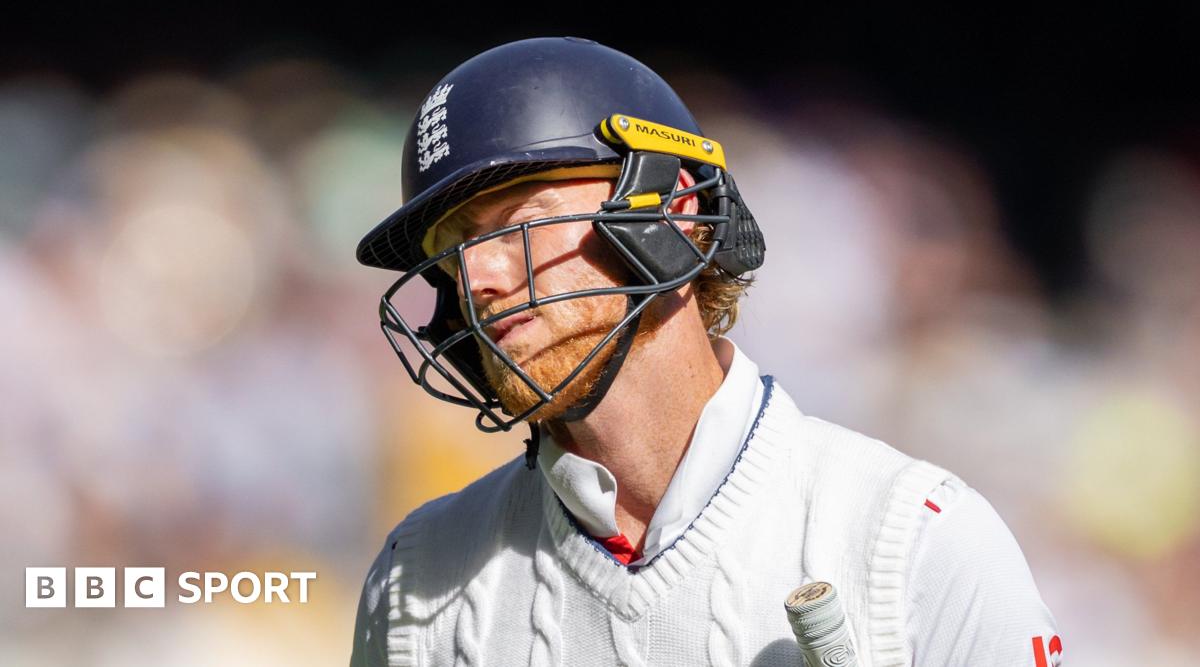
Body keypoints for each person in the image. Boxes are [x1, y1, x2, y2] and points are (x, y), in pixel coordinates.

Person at [349, 37, 1062, 666]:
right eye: (453, 251)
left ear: (673, 210)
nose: (476, 279)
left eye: (517, 224)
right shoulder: (414, 581)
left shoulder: (914, 536)